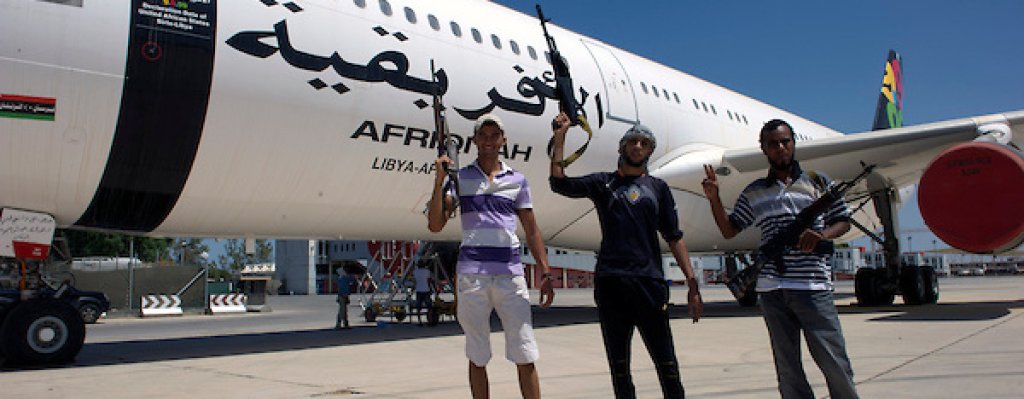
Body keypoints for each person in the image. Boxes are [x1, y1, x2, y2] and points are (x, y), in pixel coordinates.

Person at [549, 112, 703, 399]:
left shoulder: (658, 188)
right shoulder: (602, 183)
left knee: (667, 364)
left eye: (644, 142)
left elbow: (674, 236)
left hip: (650, 285)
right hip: (612, 285)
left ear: (650, 151)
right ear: (622, 148)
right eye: (632, 141)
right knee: (620, 368)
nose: (637, 146)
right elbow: (559, 183)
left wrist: (692, 283)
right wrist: (560, 139)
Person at [701, 119, 859, 399]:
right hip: (772, 290)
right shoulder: (754, 191)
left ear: (793, 143)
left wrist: (822, 235)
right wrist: (714, 199)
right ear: (763, 149)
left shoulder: (819, 182)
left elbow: (843, 222)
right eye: (773, 144)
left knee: (834, 362)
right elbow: (729, 230)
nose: (780, 148)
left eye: (785, 141)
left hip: (813, 288)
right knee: (787, 368)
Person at [427, 113, 556, 399]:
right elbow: (435, 224)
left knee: (525, 351)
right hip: (472, 276)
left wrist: (545, 273)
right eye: (482, 136)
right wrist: (438, 182)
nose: (488, 141)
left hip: (511, 275)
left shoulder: (518, 181)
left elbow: (532, 230)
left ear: (503, 140)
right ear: (474, 141)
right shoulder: (460, 178)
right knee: (477, 354)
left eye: (493, 135)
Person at [413, 260, 434, 326]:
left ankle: (420, 322)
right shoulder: (427, 271)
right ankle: (430, 321)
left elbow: (415, 282)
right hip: (426, 290)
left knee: (418, 307)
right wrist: (431, 288)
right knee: (429, 307)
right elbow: (428, 281)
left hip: (419, 290)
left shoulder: (415, 272)